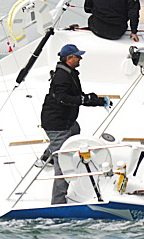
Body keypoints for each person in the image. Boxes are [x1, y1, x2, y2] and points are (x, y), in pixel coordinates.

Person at [40, 44, 106, 204]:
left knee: (75, 132)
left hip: (67, 122)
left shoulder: (69, 73)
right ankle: (58, 201)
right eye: (77, 56)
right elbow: (62, 98)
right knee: (63, 161)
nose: (80, 58)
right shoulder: (62, 77)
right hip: (57, 124)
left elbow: (76, 96)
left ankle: (46, 156)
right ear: (69, 59)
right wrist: (84, 100)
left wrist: (95, 101)